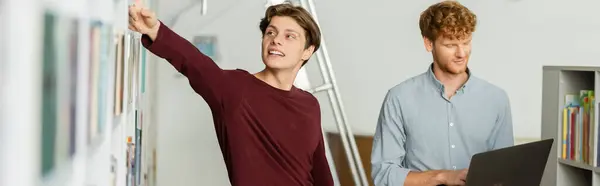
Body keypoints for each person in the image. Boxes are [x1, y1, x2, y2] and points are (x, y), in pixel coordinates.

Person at [128, 2, 333, 186]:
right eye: (271, 32)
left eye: (289, 36)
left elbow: (320, 170)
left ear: (307, 51)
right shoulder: (235, 89)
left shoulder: (310, 105)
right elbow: (194, 62)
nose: (276, 40)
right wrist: (155, 30)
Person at [370, 1, 514, 186]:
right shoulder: (399, 98)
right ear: (429, 43)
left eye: (466, 42)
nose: (461, 53)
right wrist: (443, 177)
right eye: (450, 44)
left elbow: (505, 173)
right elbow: (384, 174)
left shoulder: (497, 99)